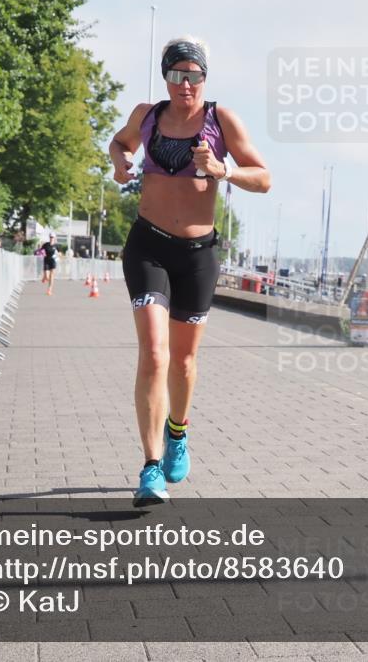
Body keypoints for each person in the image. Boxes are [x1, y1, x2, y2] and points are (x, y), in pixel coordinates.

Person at [109, 36, 271, 506]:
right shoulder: (148, 116)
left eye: (194, 75)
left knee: (182, 360)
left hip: (198, 255)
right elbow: (119, 143)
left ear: (205, 78)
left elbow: (263, 177)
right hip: (148, 247)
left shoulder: (222, 120)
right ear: (166, 78)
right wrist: (121, 163)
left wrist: (223, 170)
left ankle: (178, 431)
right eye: (177, 75)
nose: (186, 85)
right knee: (155, 355)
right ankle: (150, 466)